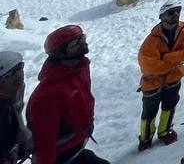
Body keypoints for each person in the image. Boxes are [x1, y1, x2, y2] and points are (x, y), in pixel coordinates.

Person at [25, 26, 107, 164]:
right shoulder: (47, 95)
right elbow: (44, 144)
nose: (83, 44)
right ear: (60, 52)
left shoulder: (79, 69)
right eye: (75, 44)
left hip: (76, 148)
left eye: (83, 38)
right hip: (61, 157)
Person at [137, 0, 184, 149]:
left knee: (170, 105)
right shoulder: (151, 41)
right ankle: (145, 138)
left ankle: (164, 131)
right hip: (152, 81)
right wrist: (176, 59)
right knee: (149, 113)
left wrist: (165, 57)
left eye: (177, 11)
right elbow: (149, 66)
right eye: (170, 12)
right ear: (161, 16)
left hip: (173, 77)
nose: (175, 14)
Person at [0, 51, 33, 164]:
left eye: (20, 68)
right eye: (12, 74)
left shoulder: (15, 91)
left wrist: (24, 139)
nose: (19, 76)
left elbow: (17, 115)